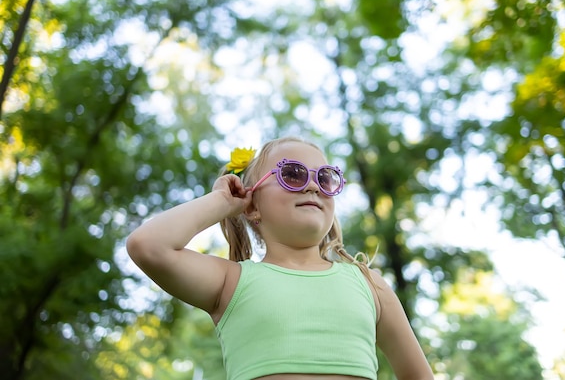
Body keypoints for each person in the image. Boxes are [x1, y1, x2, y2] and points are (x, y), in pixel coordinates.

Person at [126, 136, 434, 380]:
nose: (313, 185)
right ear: (251, 206)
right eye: (292, 174)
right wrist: (221, 201)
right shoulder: (232, 282)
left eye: (325, 178)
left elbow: (419, 375)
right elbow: (148, 246)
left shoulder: (369, 285)